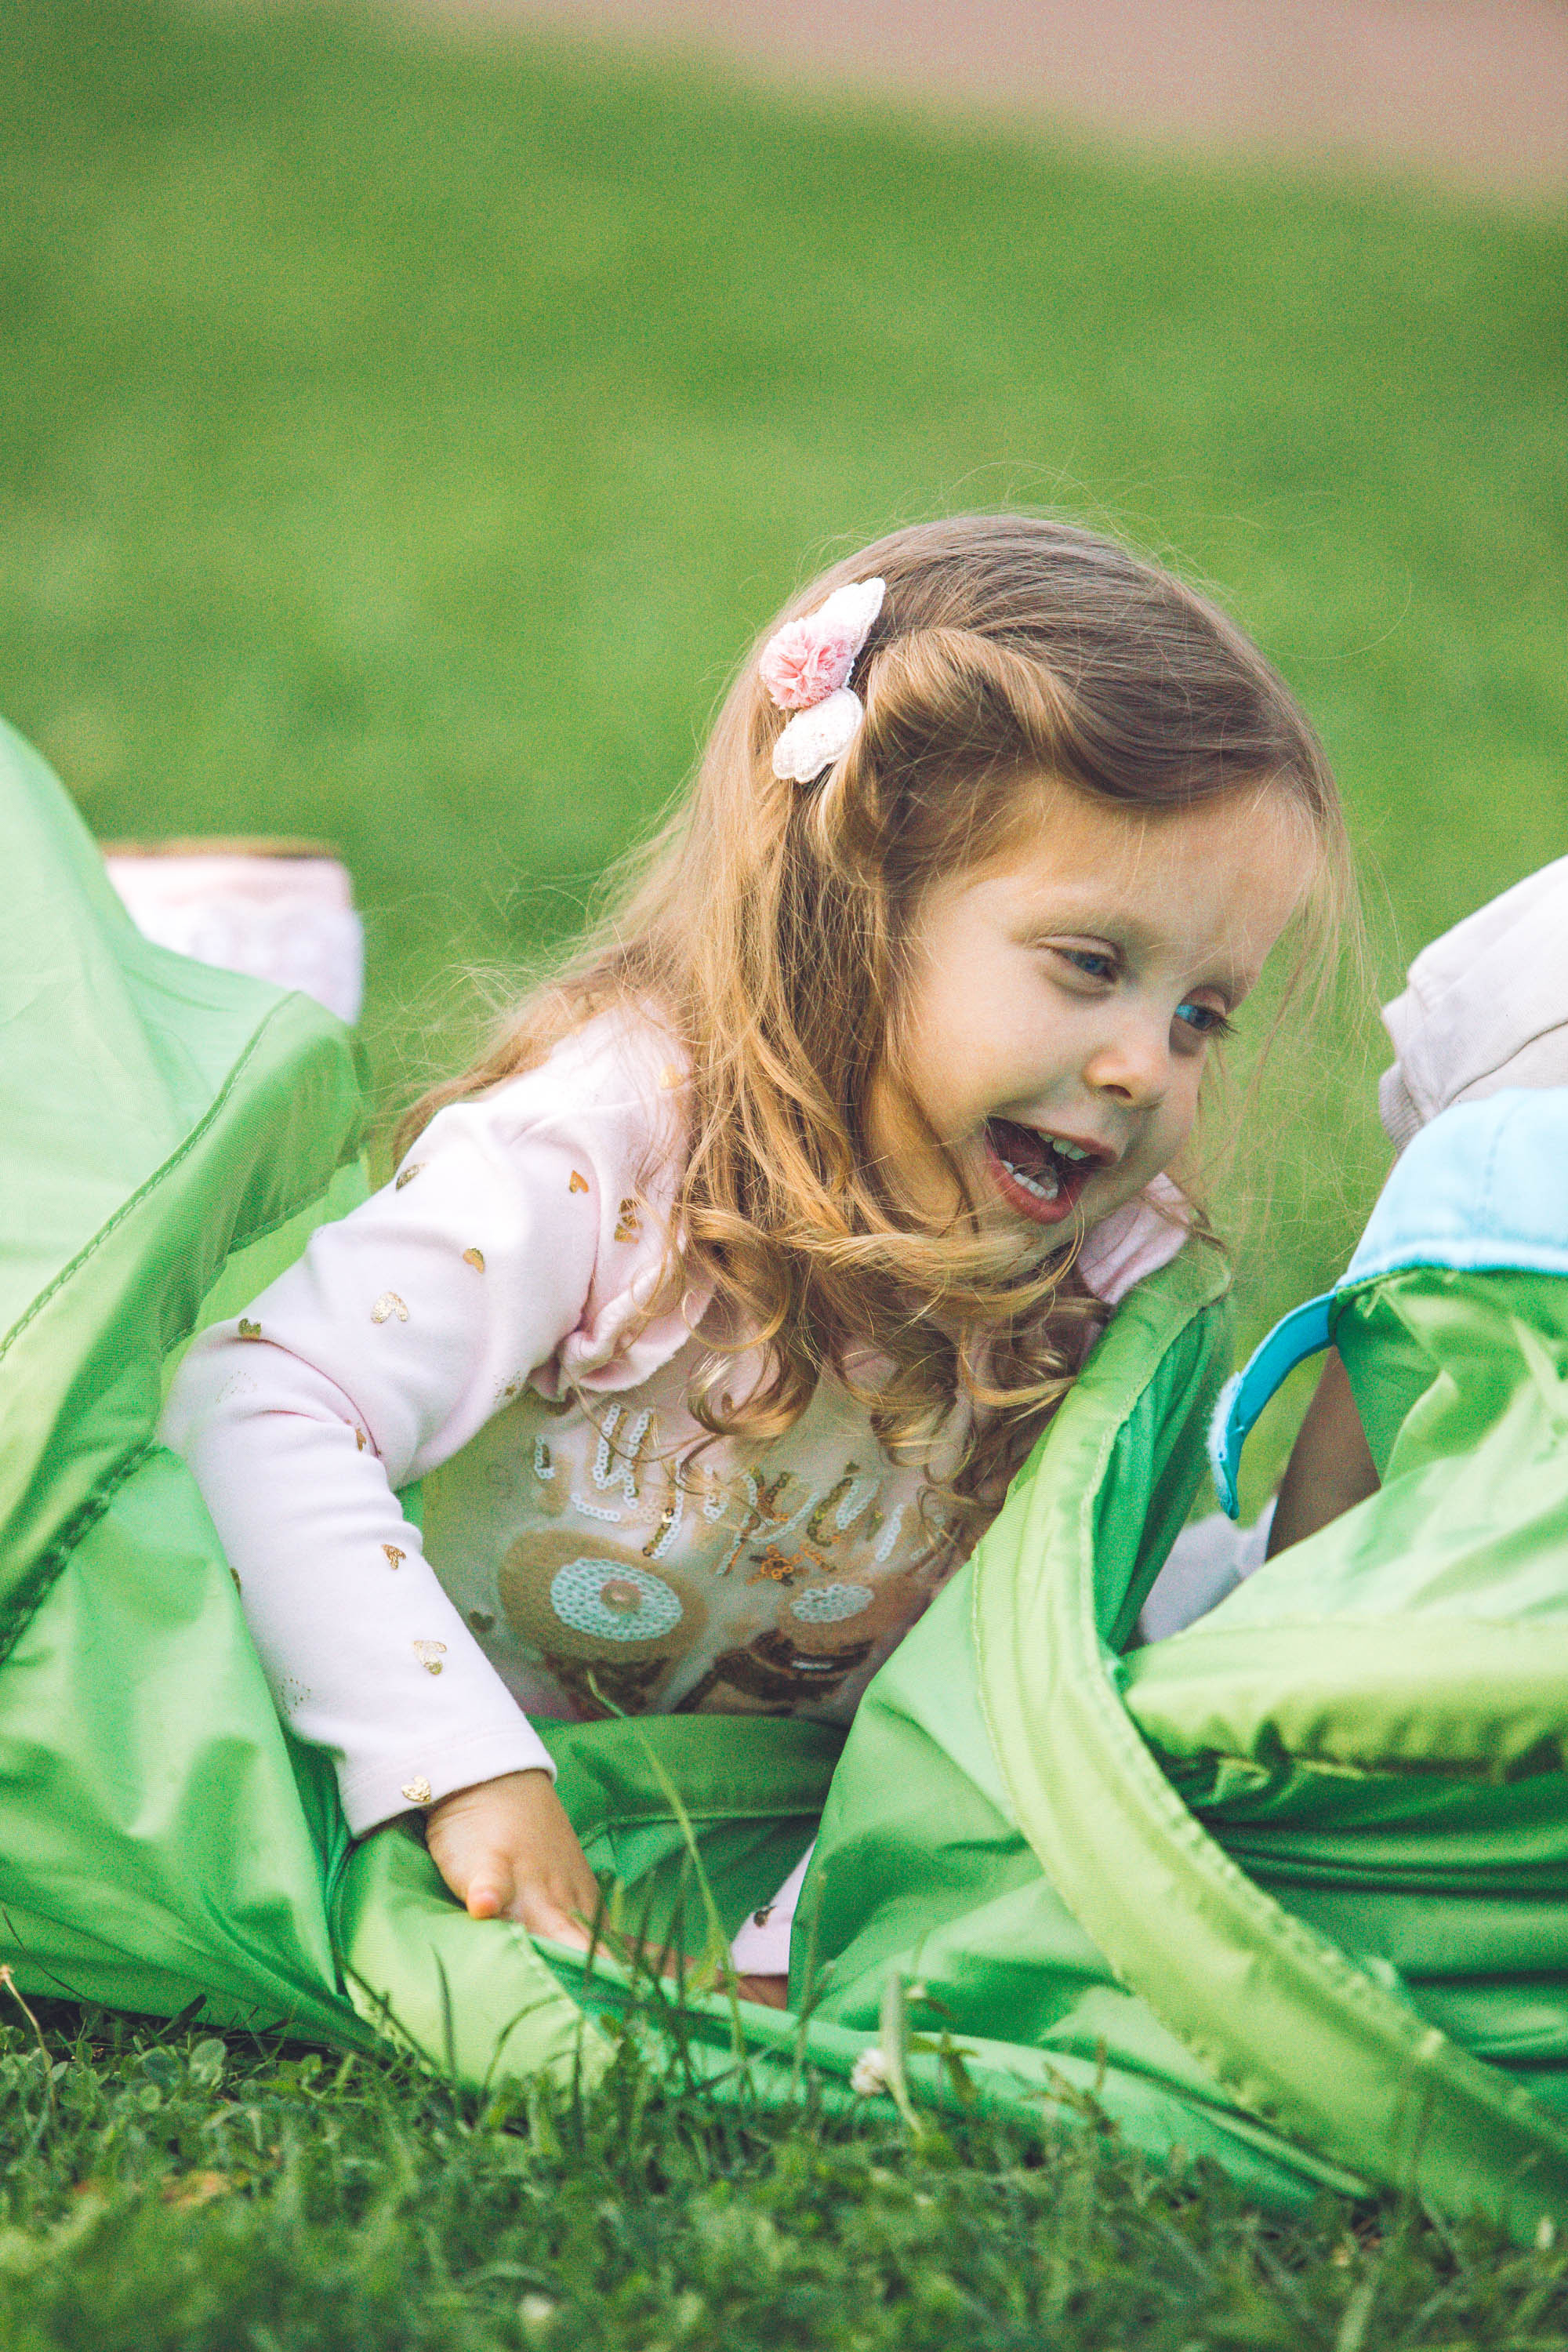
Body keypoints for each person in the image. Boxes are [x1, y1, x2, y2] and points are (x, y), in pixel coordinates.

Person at [162, 514, 1347, 1980]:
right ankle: (208, 939)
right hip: (409, 1731)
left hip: (739, 1811)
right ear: (862, 899)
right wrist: (460, 1765)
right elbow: (253, 1407)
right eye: (1092, 966)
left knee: (1214, 1681)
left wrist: (795, 1949)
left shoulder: (1101, 1281)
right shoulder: (606, 1150)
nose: (1140, 1070)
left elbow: (997, 1683)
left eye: (1200, 1015)